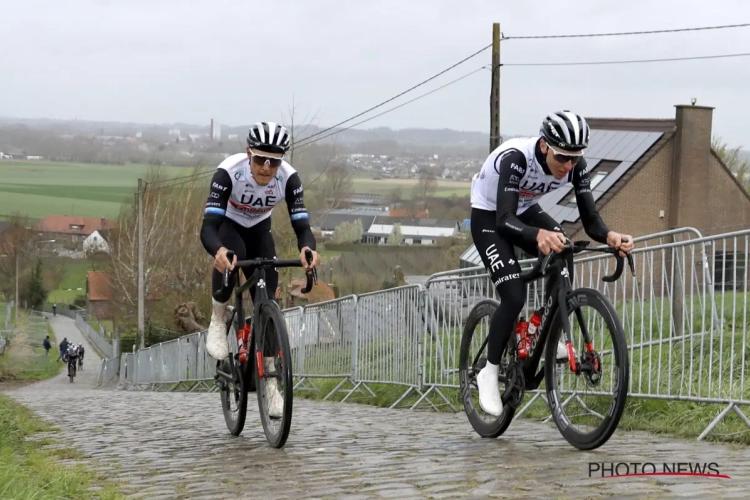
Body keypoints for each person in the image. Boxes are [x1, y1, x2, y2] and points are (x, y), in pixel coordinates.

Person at [469, 110, 634, 416]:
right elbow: (505, 220)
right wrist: (537, 234)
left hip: (524, 208)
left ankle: (539, 329)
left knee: (563, 246)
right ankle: (489, 372)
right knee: (514, 293)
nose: (568, 166)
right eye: (562, 158)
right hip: (490, 216)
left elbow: (591, 220)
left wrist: (610, 235)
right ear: (545, 146)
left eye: (574, 159)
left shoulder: (575, 165)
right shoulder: (516, 159)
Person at [200, 121, 321, 416]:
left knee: (268, 298)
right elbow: (208, 227)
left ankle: (269, 384)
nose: (266, 167)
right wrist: (218, 251)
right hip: (228, 226)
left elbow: (302, 227)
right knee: (232, 257)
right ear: (248, 154)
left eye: (274, 161)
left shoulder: (289, 179)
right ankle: (218, 319)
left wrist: (307, 250)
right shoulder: (229, 172)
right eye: (260, 159)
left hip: (259, 229)